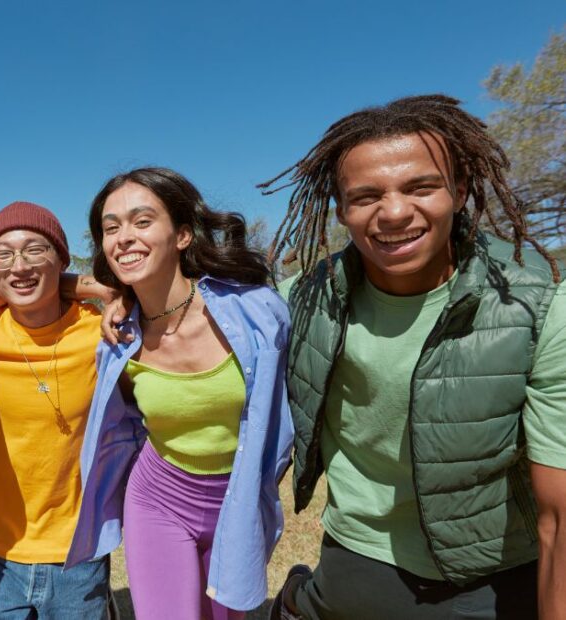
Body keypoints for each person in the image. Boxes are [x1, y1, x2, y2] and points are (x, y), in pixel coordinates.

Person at [259, 94, 566, 620]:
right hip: (354, 561)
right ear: (342, 209)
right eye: (367, 195)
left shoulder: (539, 308)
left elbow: (559, 516)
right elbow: (188, 306)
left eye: (421, 186)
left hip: (492, 576)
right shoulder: (302, 301)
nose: (395, 211)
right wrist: (98, 293)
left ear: (460, 190)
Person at [67, 167, 293, 620]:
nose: (123, 237)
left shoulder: (255, 312)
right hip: (158, 497)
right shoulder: (118, 338)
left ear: (184, 235)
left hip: (239, 500)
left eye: (142, 221)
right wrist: (109, 291)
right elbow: (35, 277)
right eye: (111, 228)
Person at [0, 201, 111, 618]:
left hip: (80, 552)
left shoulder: (102, 333)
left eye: (34, 250)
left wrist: (100, 290)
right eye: (2, 254)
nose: (18, 265)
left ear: (61, 258)